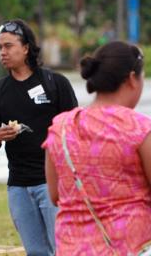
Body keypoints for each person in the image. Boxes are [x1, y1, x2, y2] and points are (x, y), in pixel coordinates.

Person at [43, 41, 151, 255]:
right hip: (128, 247)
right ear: (132, 79)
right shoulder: (139, 128)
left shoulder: (60, 127)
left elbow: (55, 195)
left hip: (71, 248)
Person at [0, 19, 77, 255]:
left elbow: (75, 131)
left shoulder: (55, 83)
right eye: (0, 47)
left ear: (26, 47)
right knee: (35, 252)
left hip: (53, 183)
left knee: (63, 249)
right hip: (18, 186)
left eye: (8, 46)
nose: (2, 52)